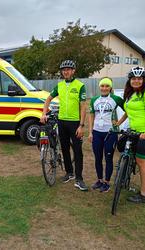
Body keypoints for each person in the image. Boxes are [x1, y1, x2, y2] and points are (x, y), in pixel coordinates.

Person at [40, 60, 88, 191]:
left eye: (68, 69)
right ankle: (69, 173)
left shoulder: (80, 85)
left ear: (73, 71)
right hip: (62, 122)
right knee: (65, 149)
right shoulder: (59, 86)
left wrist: (82, 125)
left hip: (75, 123)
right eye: (64, 70)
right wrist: (44, 113)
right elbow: (48, 99)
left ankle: (79, 178)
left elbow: (83, 106)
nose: (66, 71)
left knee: (77, 151)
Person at [116, 66, 145, 203]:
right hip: (134, 130)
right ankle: (129, 163)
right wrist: (119, 122)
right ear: (130, 80)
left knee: (142, 162)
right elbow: (128, 112)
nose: (136, 81)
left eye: (139, 78)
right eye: (134, 78)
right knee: (121, 144)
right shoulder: (130, 94)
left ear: (143, 80)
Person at [88, 77, 124, 192]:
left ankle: (107, 182)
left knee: (108, 158)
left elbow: (129, 110)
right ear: (99, 87)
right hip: (97, 132)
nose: (104, 88)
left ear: (110, 87)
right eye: (102, 86)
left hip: (110, 133)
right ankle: (99, 180)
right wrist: (90, 132)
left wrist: (118, 123)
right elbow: (92, 116)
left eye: (107, 86)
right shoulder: (94, 99)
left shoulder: (116, 99)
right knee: (98, 158)